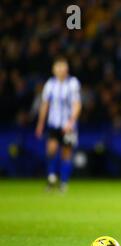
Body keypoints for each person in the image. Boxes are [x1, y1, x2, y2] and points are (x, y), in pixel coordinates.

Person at [35, 57, 82, 192]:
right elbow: (45, 105)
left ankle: (64, 183)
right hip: (53, 123)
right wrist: (40, 124)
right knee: (51, 150)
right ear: (54, 69)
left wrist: (71, 122)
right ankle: (51, 177)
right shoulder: (50, 84)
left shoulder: (73, 83)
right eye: (58, 67)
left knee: (66, 153)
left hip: (68, 125)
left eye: (63, 66)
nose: (61, 69)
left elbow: (77, 104)